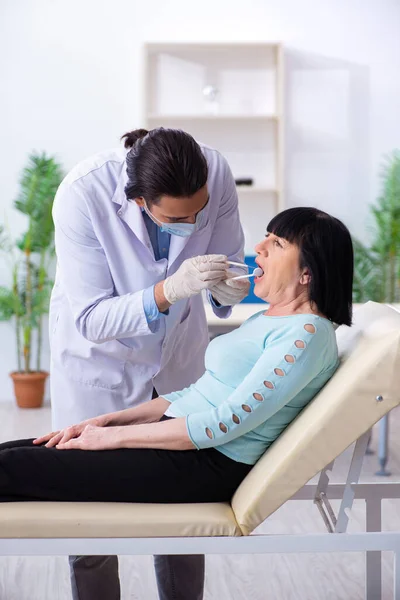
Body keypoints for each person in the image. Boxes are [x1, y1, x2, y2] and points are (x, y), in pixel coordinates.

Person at [0, 207, 353, 599]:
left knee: (12, 467)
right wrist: (108, 422)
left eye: (276, 243)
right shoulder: (272, 320)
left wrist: (112, 441)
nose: (259, 248)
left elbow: (225, 422)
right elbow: (194, 393)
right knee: (16, 452)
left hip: (202, 461)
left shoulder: (305, 335)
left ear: (308, 273)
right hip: (181, 444)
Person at [48, 127, 250, 600]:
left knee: (182, 508)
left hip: (178, 361)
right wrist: (167, 291)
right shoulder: (83, 195)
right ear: (139, 202)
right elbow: (91, 318)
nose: (194, 219)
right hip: (101, 364)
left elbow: (227, 263)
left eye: (199, 209)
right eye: (178, 217)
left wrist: (227, 291)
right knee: (90, 517)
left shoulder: (214, 172)